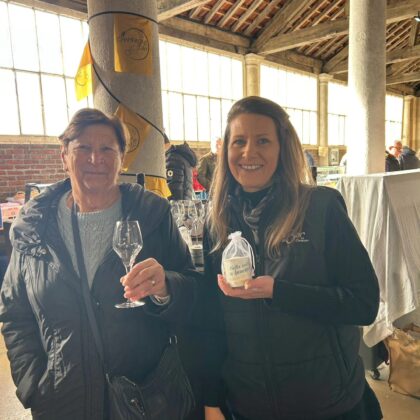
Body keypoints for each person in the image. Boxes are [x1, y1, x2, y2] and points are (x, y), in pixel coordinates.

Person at [0, 109, 199, 419]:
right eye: (84, 148)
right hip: (62, 403)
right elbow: (15, 313)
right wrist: (33, 386)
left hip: (144, 399)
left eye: (107, 148)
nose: (96, 159)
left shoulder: (152, 215)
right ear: (64, 156)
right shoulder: (34, 227)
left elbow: (193, 291)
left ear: (122, 158)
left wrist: (165, 288)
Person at [202, 96, 382, 420]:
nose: (248, 152)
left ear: (282, 148)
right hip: (248, 405)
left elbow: (364, 303)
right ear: (225, 149)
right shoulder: (217, 222)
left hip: (328, 404)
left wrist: (278, 292)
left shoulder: (320, 207)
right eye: (239, 141)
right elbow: (211, 318)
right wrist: (212, 399)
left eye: (263, 141)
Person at [164, 134, 197, 200]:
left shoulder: (172, 158)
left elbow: (173, 187)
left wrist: (171, 203)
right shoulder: (182, 156)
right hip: (185, 201)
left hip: (177, 203)